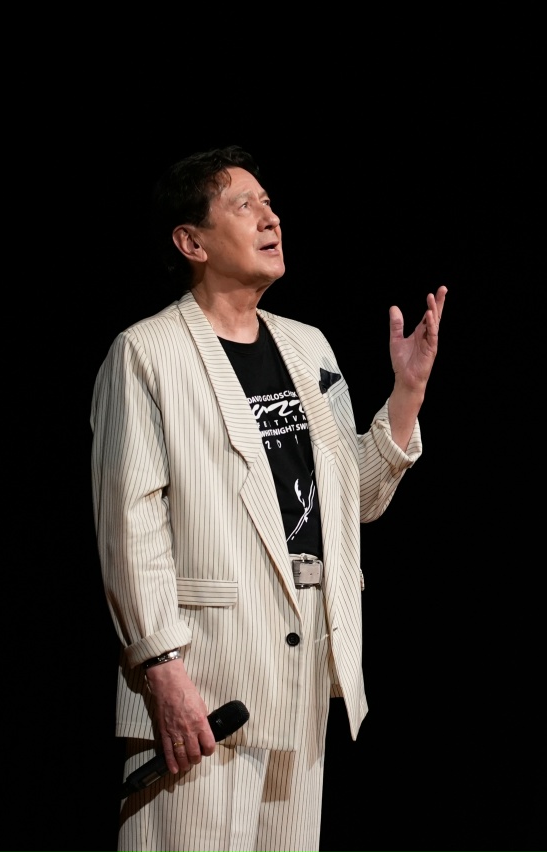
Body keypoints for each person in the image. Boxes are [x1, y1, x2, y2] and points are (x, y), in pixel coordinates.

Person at [90, 145, 447, 852]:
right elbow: (130, 528)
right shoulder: (147, 353)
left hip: (302, 672)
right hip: (205, 681)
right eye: (243, 205)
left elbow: (355, 504)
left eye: (270, 203)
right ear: (192, 242)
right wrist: (162, 669)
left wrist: (406, 396)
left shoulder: (308, 347)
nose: (270, 217)